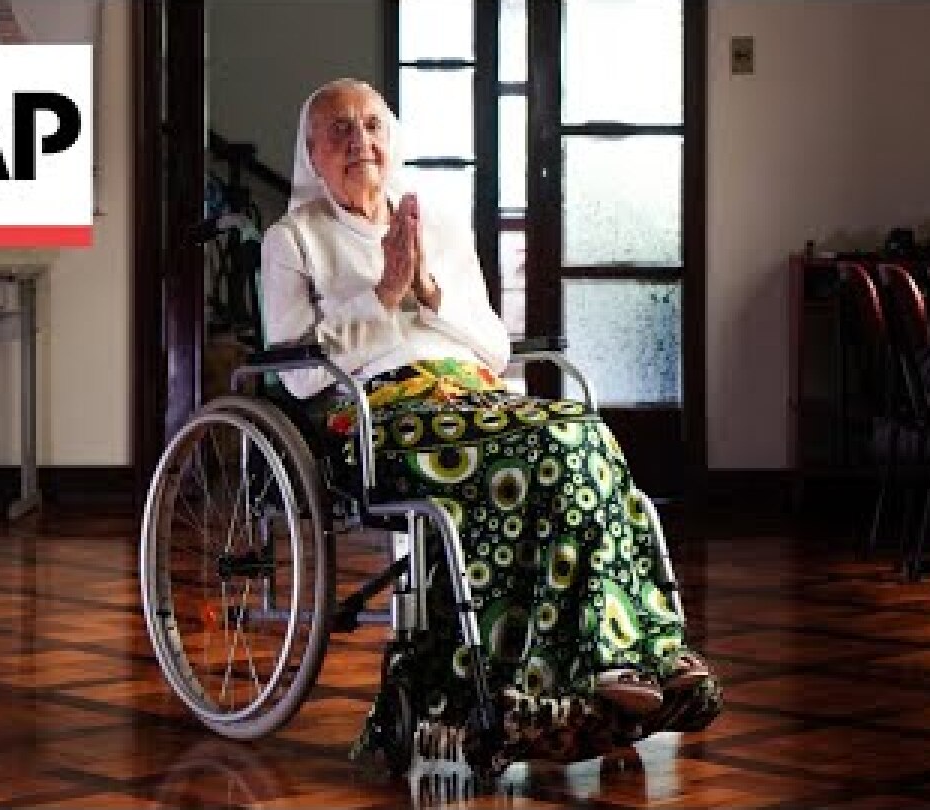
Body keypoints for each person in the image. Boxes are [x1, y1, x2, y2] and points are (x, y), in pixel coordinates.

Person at [260, 78, 720, 766]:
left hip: (472, 397)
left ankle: (638, 654)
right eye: (340, 131)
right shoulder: (293, 239)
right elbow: (297, 372)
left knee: (579, 431)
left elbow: (494, 346)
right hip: (381, 413)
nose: (360, 141)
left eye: (372, 125)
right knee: (544, 445)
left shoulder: (436, 225)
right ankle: (595, 664)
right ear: (312, 154)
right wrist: (383, 294)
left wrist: (429, 291)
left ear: (393, 139)